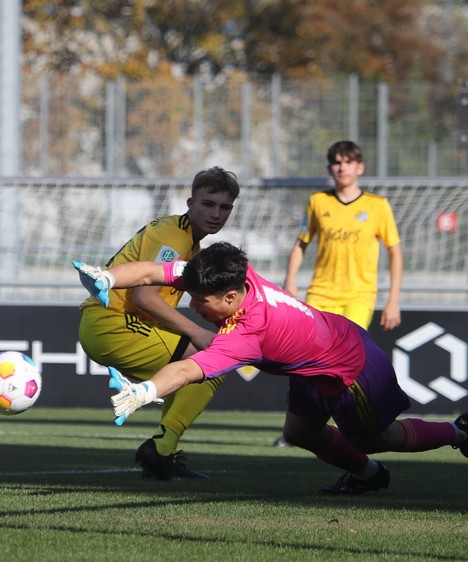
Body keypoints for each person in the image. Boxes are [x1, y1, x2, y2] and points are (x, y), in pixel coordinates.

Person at [74, 242, 468, 494]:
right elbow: (149, 272)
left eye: (199, 301)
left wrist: (143, 391)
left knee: (370, 437)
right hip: (317, 355)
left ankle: (458, 432)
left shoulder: (246, 334)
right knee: (300, 432)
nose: (193, 306)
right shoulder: (232, 274)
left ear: (230, 297)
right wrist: (107, 276)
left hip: (350, 369)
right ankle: (369, 477)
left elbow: (187, 370)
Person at [76, 166, 239, 480]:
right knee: (211, 361)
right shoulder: (175, 236)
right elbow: (144, 297)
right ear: (191, 203)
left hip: (118, 324)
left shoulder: (191, 243)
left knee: (192, 374)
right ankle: (162, 450)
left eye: (224, 207)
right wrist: (196, 332)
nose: (216, 213)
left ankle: (163, 452)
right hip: (113, 323)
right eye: (208, 204)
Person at [277, 140, 403, 447]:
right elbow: (301, 243)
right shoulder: (318, 202)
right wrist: (290, 283)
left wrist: (393, 300)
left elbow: (395, 252)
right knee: (306, 359)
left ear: (359, 167)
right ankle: (298, 428)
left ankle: (344, 427)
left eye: (348, 162)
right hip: (321, 295)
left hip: (359, 297)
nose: (341, 167)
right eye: (336, 162)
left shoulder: (377, 205)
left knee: (350, 363)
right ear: (330, 167)